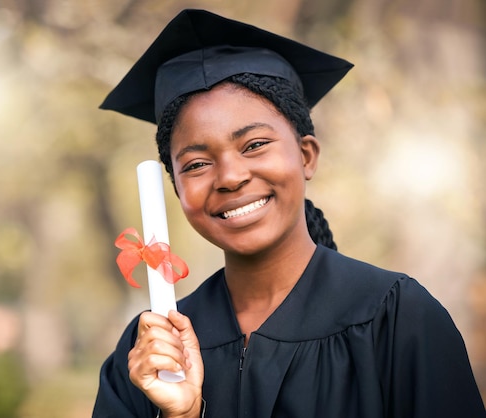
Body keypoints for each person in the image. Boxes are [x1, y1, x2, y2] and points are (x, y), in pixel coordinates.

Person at [92, 9, 486, 418]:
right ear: (176, 188)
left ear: (306, 156)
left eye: (255, 144)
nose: (230, 177)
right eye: (196, 164)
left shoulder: (397, 318)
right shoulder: (151, 351)